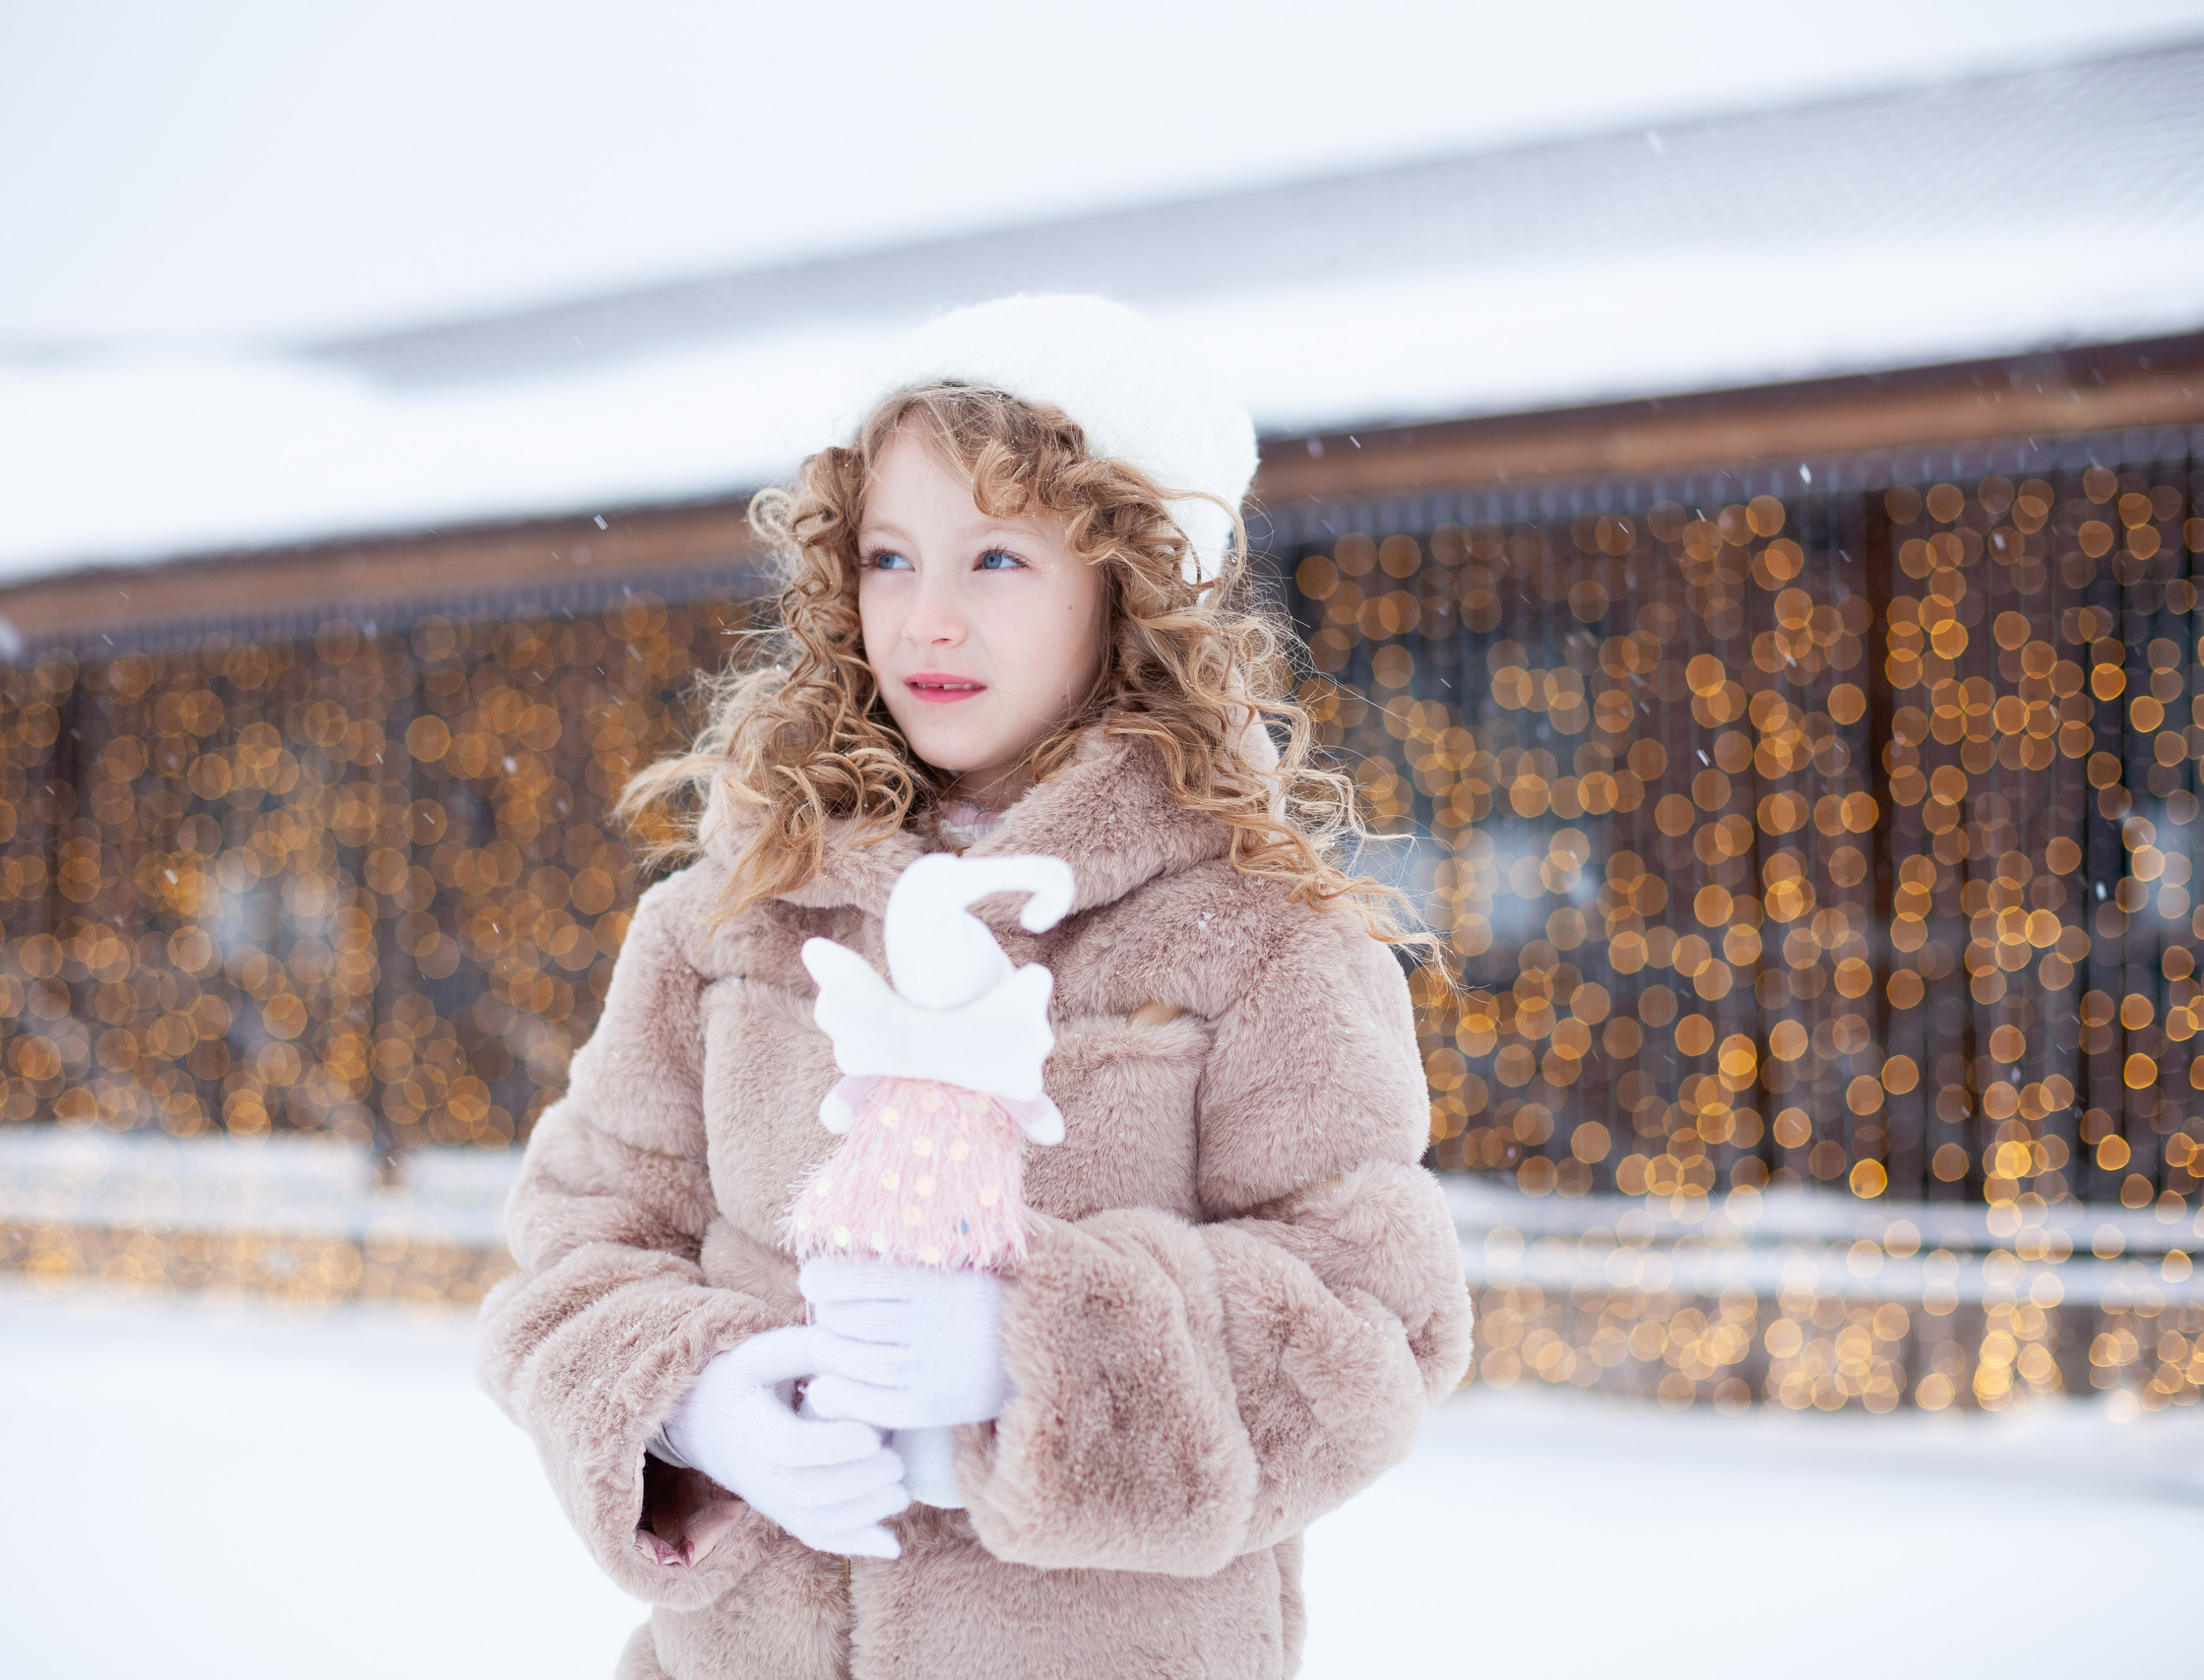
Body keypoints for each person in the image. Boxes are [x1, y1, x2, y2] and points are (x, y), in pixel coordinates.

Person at [478, 294, 1472, 1680]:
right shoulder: (727, 918)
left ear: (1131, 585)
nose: (927, 618)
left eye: (996, 557)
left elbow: (1377, 1317)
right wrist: (689, 1403)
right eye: (890, 557)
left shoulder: (1260, 936)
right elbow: (577, 1246)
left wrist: (1038, 1352)